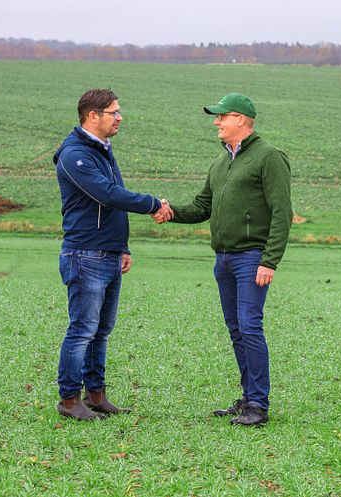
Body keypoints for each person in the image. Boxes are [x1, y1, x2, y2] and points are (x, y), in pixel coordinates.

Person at [153, 92, 292, 426]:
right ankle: (248, 398)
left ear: (241, 119)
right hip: (224, 260)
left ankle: (258, 405)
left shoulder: (269, 158)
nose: (216, 122)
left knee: (249, 326)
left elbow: (282, 212)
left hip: (252, 258)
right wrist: (169, 213)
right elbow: (202, 207)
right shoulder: (220, 164)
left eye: (221, 116)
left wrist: (269, 260)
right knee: (236, 330)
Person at [54, 88, 172, 420]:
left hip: (107, 253)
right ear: (93, 116)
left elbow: (112, 204)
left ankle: (96, 395)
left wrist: (123, 247)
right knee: (82, 329)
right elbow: (107, 195)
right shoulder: (74, 154)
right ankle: (68, 400)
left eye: (119, 112)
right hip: (85, 254)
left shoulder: (102, 151)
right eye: (114, 112)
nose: (119, 118)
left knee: (101, 330)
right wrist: (153, 204)